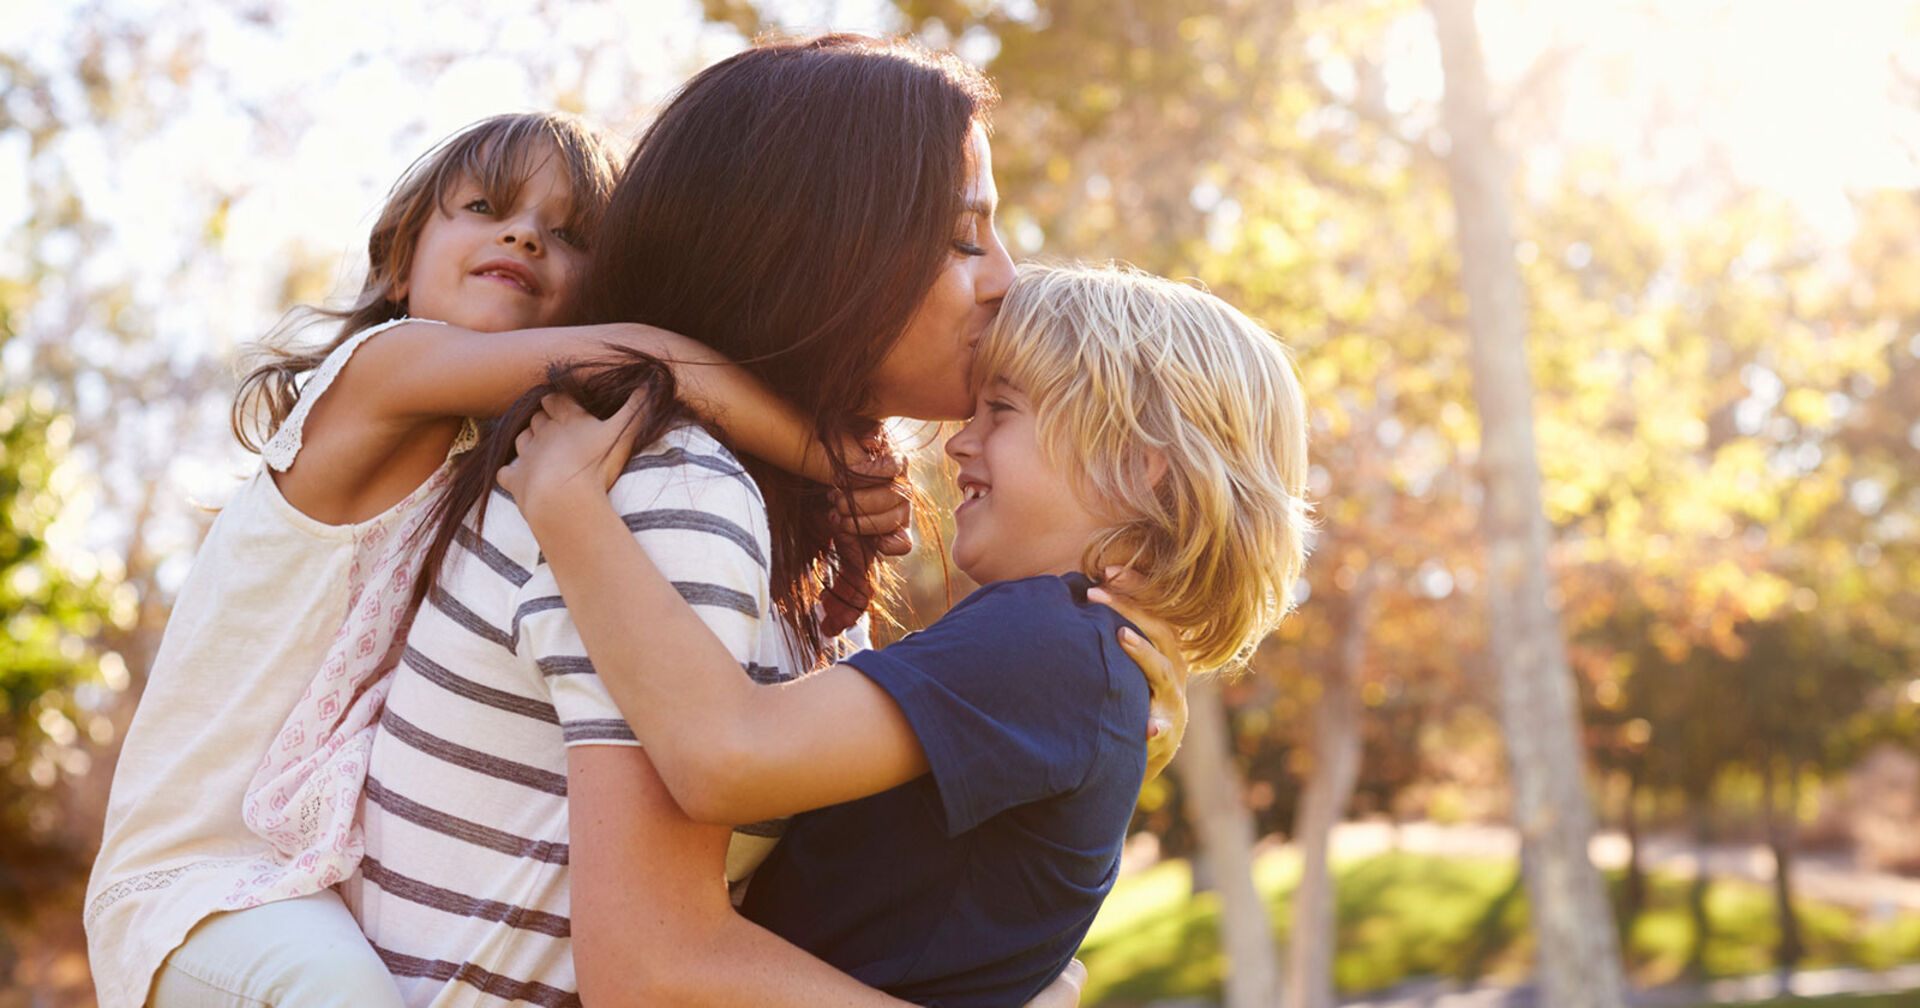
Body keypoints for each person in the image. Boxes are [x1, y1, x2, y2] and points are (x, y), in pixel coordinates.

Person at [346, 35, 1179, 1008]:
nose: (1006, 278)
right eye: (963, 237)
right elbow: (656, 969)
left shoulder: (777, 516)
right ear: (823, 252)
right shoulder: (675, 487)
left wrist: (1079, 734)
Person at [82, 110, 892, 1008]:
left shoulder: (495, 459)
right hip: (193, 886)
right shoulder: (377, 374)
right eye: (484, 206)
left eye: (569, 234)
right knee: (340, 992)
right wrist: (831, 465)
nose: (524, 235)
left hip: (310, 875)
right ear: (398, 262)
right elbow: (654, 360)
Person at [505, 260, 1312, 1007]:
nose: (960, 439)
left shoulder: (1049, 641)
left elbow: (726, 755)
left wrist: (569, 503)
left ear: (1141, 467)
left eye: (1002, 409)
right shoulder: (1080, 660)